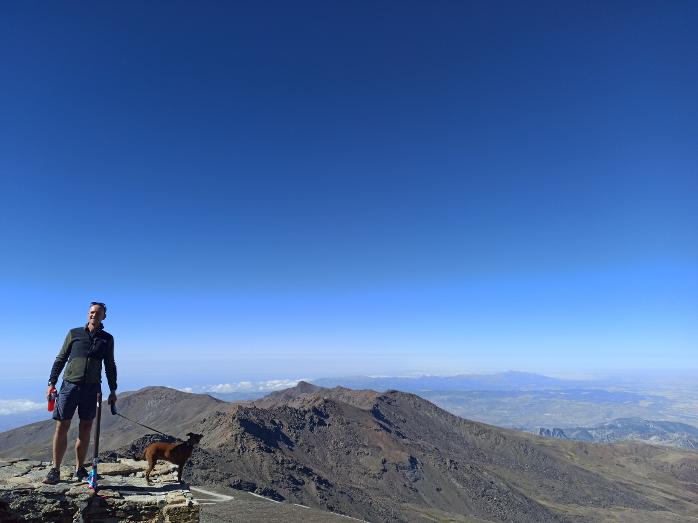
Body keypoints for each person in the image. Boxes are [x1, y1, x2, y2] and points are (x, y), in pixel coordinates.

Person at [43, 302, 117, 484]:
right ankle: (55, 470)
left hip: (92, 389)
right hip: (69, 386)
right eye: (92, 312)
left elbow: (110, 365)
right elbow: (60, 358)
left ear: (104, 317)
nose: (94, 315)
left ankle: (80, 469)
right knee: (62, 426)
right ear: (88, 314)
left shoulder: (107, 338)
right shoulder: (74, 333)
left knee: (86, 427)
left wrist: (113, 389)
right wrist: (51, 383)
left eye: (98, 313)